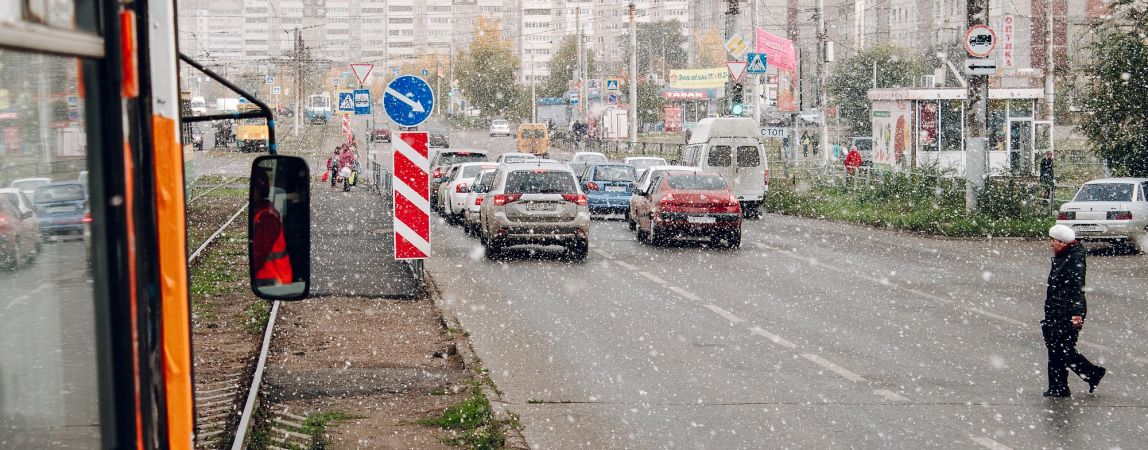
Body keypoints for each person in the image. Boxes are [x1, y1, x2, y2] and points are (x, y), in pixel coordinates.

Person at [1042, 224, 1105, 397]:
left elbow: (1077, 288)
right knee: (1056, 349)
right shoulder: (1065, 255)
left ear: (1063, 242)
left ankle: (1091, 374)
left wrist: (1076, 314)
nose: (1051, 244)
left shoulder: (1074, 258)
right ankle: (1059, 387)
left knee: (1062, 349)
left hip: (1066, 311)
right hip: (1057, 309)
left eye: (1054, 241)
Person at [251, 169, 293, 287]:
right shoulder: (264, 212)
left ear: (259, 190)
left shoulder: (267, 219)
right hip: (271, 279)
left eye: (253, 188)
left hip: (272, 281)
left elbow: (258, 256)